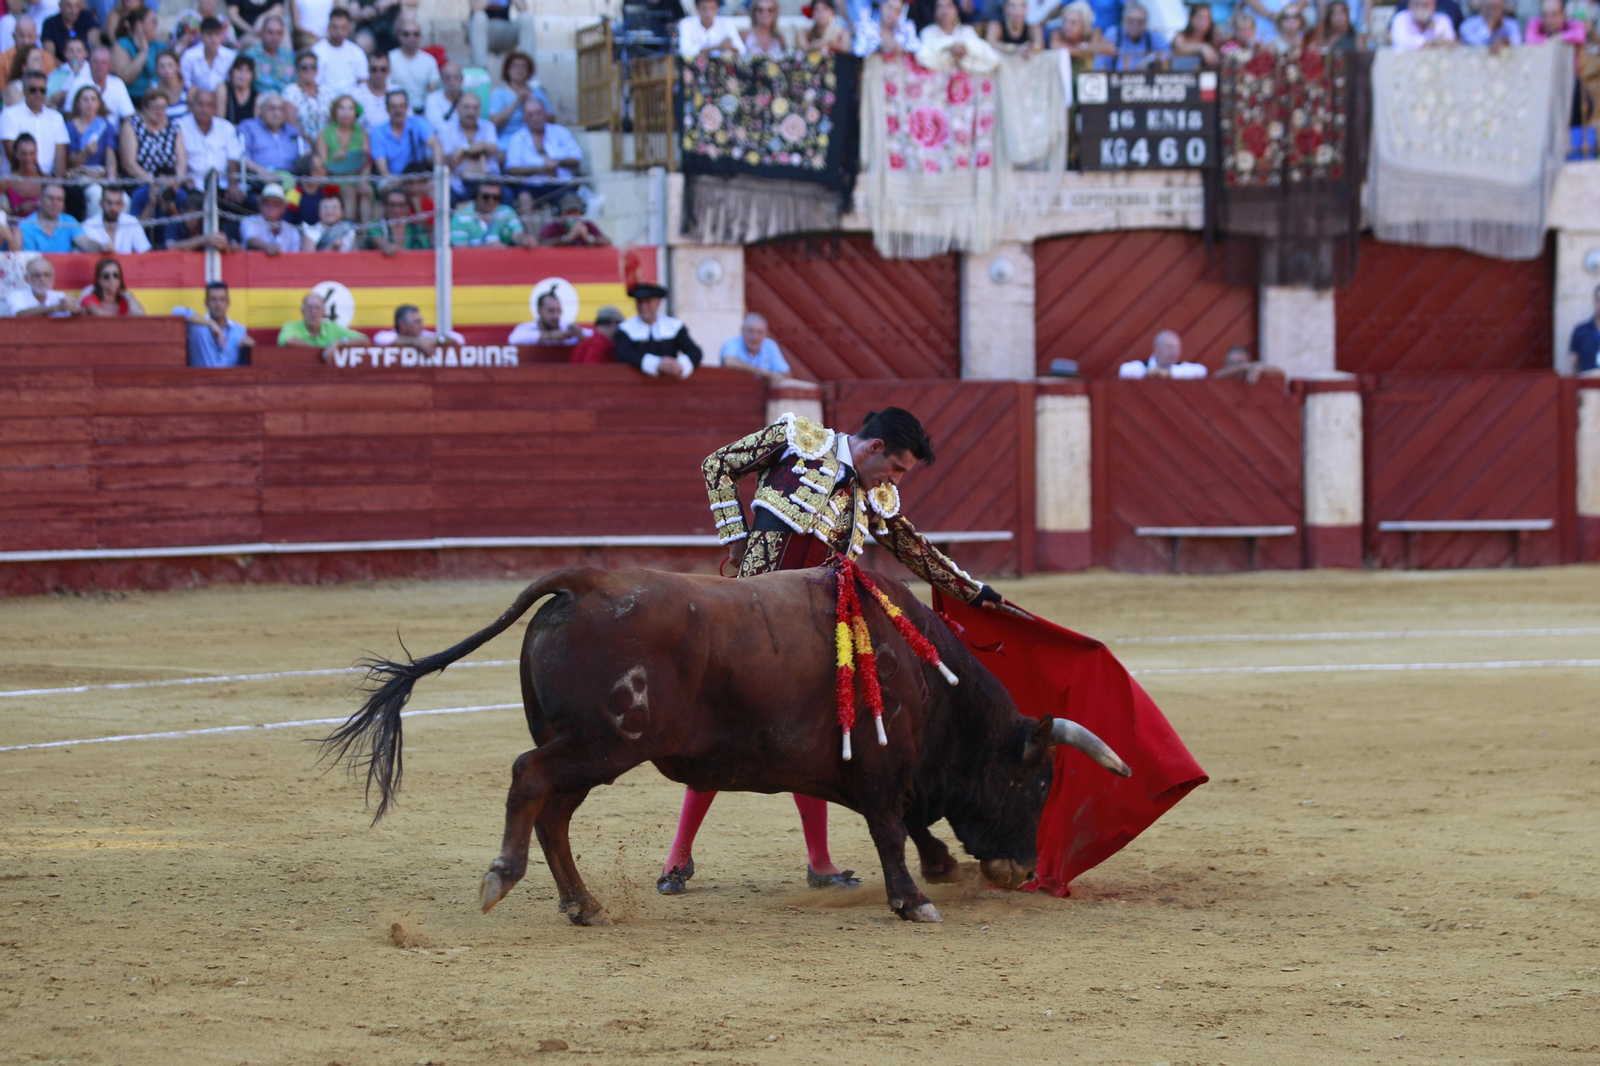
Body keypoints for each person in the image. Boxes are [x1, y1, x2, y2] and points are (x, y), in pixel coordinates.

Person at [656, 406, 1003, 896]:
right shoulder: (797, 441)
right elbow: (718, 464)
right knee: (721, 727)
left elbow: (914, 549)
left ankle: (819, 862)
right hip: (749, 617)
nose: (897, 480)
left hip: (817, 631)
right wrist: (735, 538)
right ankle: (677, 858)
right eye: (898, 467)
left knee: (817, 736)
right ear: (876, 447)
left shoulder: (878, 496)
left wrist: (974, 591)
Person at [613, 282, 702, 380]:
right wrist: (656, 364)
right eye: (640, 302)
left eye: (648, 301)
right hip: (635, 386)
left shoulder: (674, 326)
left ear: (658, 302)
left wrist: (679, 365)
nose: (643, 306)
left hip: (670, 386)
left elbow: (695, 352)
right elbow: (623, 354)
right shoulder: (625, 328)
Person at [120, 85, 185, 218]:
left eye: (163, 108)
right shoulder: (132, 125)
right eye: (156, 108)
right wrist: (153, 181)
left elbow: (182, 160)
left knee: (183, 198)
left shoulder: (174, 126)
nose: (160, 112)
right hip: (141, 182)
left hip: (170, 183)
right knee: (143, 195)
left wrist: (176, 181)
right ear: (145, 108)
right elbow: (129, 163)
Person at [503, 98, 581, 205]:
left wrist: (558, 163)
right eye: (530, 115)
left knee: (571, 202)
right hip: (531, 186)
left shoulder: (562, 132)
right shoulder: (517, 138)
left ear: (545, 114)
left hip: (561, 184)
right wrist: (541, 169)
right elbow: (512, 169)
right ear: (524, 119)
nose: (535, 118)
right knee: (524, 199)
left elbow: (577, 159)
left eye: (538, 113)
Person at [178, 87, 243, 208]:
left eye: (209, 105)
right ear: (192, 105)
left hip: (223, 185)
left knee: (242, 204)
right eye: (200, 104)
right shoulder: (180, 126)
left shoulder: (226, 127)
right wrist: (184, 178)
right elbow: (178, 157)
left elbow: (233, 158)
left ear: (214, 108)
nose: (204, 110)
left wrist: (233, 184)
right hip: (193, 185)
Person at [313, 92, 370, 219]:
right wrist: (334, 159)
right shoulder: (324, 134)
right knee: (349, 190)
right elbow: (322, 166)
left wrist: (364, 180)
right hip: (334, 178)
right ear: (335, 112)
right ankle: (348, 232)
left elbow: (366, 161)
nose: (346, 113)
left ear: (355, 112)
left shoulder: (362, 133)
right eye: (342, 108)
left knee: (366, 192)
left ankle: (365, 234)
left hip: (357, 177)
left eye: (350, 109)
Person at [1, 68, 66, 172]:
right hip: (17, 179)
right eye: (33, 90)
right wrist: (39, 179)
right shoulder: (10, 114)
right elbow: (11, 154)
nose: (38, 94)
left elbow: (61, 156)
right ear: (24, 91)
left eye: (42, 90)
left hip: (49, 181)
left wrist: (57, 183)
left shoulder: (56, 118)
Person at [438, 90, 498, 199]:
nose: (471, 112)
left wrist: (464, 150)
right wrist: (479, 148)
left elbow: (491, 149)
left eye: (475, 108)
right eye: (467, 107)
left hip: (488, 181)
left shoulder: (488, 126)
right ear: (458, 109)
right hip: (458, 183)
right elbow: (450, 161)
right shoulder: (446, 129)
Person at [278, 289, 364, 358]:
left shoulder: (332, 328)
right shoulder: (292, 326)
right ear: (302, 310)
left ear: (324, 312)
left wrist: (339, 342)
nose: (313, 312)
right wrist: (317, 351)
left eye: (317, 308)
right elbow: (288, 341)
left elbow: (364, 340)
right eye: (309, 307)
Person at [370, 86, 436, 176]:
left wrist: (437, 173)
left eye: (402, 106)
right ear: (387, 109)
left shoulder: (418, 122)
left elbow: (436, 145)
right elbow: (383, 171)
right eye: (393, 107)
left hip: (418, 178)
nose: (398, 111)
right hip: (391, 181)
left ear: (407, 107)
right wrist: (402, 186)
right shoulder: (378, 132)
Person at [184, 280, 253, 366]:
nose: (218, 304)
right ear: (206, 303)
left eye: (222, 299)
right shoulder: (197, 326)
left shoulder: (239, 330)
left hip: (230, 378)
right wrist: (211, 323)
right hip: (201, 378)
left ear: (228, 303)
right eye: (213, 299)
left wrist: (252, 346)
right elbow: (176, 311)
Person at [917, 0, 1000, 70]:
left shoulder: (967, 31)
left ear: (956, 9)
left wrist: (965, 48)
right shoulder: (927, 32)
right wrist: (949, 47)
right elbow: (923, 56)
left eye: (949, 6)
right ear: (935, 11)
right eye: (940, 6)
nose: (945, 10)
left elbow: (988, 55)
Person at [486, 50, 549, 142]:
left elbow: (551, 119)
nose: (519, 70)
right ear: (508, 70)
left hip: (537, 139)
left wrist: (534, 106)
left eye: (523, 66)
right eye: (515, 66)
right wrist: (517, 102)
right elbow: (494, 122)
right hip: (508, 141)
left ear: (529, 71)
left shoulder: (537, 92)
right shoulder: (499, 93)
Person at [238, 90, 299, 179]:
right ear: (261, 109)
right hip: (259, 181)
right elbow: (242, 157)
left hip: (292, 181)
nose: (276, 113)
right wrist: (261, 171)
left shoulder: (292, 131)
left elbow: (305, 155)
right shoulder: (249, 127)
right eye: (272, 108)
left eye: (280, 109)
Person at [67, 43, 133, 121]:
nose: (99, 67)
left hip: (113, 132)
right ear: (90, 64)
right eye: (95, 62)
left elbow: (129, 115)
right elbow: (68, 113)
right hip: (84, 131)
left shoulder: (118, 84)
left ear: (110, 66)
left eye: (103, 63)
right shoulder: (78, 82)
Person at [448, 178, 523, 246]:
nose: (491, 201)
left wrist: (524, 240)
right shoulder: (461, 217)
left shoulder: (507, 212)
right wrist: (487, 248)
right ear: (476, 196)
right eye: (486, 197)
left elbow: (517, 234)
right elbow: (460, 251)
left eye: (496, 197)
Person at [719, 312, 791, 382]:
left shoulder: (770, 345)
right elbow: (729, 362)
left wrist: (773, 377)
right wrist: (764, 373)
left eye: (760, 332)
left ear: (766, 333)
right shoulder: (732, 343)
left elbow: (786, 374)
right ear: (743, 331)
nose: (755, 336)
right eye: (751, 331)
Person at [467, 0, 534, 72]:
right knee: (479, 16)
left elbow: (524, 9)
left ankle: (529, 70)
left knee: (526, 17)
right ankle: (480, 70)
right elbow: (477, 9)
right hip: (486, 33)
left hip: (506, 32)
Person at [113, 5, 163, 100]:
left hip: (155, 98)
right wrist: (143, 53)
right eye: (153, 21)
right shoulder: (122, 44)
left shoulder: (158, 45)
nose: (156, 25)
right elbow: (126, 78)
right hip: (130, 98)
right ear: (139, 24)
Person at [79, 183, 149, 252]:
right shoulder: (88, 226)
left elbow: (144, 252)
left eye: (117, 203)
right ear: (101, 203)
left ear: (123, 204)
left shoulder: (132, 223)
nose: (113, 208)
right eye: (109, 203)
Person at [18, 181, 89, 249]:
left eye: (59, 199)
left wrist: (99, 247)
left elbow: (85, 242)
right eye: (50, 198)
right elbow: (31, 258)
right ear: (40, 200)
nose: (55, 203)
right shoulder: (26, 226)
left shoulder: (69, 221)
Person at [385, 14, 434, 111]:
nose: (411, 38)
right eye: (406, 34)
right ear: (399, 36)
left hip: (422, 110)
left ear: (420, 36)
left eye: (415, 34)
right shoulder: (389, 58)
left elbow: (432, 91)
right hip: (396, 111)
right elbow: (386, 88)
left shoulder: (429, 60)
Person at [1097, 0, 1166, 69]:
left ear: (1146, 23)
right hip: (1116, 78)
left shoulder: (1152, 37)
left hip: (1147, 78)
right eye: (1131, 20)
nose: (1135, 25)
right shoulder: (1113, 34)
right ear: (1124, 20)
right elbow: (1100, 64)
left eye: (1140, 22)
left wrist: (1150, 59)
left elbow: (1168, 54)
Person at [1049, 0, 1115, 71]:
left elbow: (1111, 49)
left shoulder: (1092, 34)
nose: (1067, 26)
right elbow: (1055, 46)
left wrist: (1086, 47)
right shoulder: (1058, 33)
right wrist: (1081, 51)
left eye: (1073, 23)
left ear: (1084, 25)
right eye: (1065, 21)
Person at [311, 7, 364, 94]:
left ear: (348, 28)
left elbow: (362, 81)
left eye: (343, 27)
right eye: (335, 27)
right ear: (328, 27)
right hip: (326, 100)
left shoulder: (357, 52)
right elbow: (315, 83)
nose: (339, 31)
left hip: (352, 101)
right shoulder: (317, 51)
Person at [372, 302, 463, 353]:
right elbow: (383, 340)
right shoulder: (385, 336)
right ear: (402, 325)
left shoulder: (427, 336)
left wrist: (437, 340)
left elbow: (458, 338)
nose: (421, 325)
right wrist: (416, 341)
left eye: (421, 321)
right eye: (416, 322)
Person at [6, 253, 81, 315]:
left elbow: (80, 313)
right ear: (26, 279)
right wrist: (55, 308)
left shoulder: (60, 296)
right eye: (36, 275)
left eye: (47, 275)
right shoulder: (15, 296)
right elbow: (20, 315)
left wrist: (75, 309)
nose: (42, 279)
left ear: (53, 277)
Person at [364, 181, 429, 252]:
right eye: (392, 205)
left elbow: (426, 248)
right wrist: (385, 246)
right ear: (385, 207)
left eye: (401, 205)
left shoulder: (416, 230)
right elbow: (376, 239)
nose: (396, 210)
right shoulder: (376, 226)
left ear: (407, 207)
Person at [1118, 329, 1208, 378]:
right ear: (1157, 349)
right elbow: (1124, 370)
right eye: (1169, 347)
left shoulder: (1181, 367)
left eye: (1177, 348)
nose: (1174, 352)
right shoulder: (1143, 366)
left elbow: (1202, 371)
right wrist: (1147, 373)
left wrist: (1169, 373)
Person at [241, 179, 300, 253]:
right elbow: (251, 240)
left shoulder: (291, 230)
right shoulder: (250, 221)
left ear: (283, 208)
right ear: (260, 205)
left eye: (276, 203)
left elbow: (294, 256)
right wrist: (266, 247)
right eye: (267, 203)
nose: (271, 207)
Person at [509, 285, 580, 345]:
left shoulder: (565, 327)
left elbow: (588, 335)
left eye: (558, 310)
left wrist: (579, 334)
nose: (556, 315)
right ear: (539, 311)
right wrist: (551, 336)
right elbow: (514, 339)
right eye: (551, 311)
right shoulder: (528, 328)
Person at [181, 16, 235, 91]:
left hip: (222, 97)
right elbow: (185, 81)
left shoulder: (230, 56)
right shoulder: (189, 55)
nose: (214, 39)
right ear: (201, 36)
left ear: (222, 36)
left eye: (217, 34)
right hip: (197, 98)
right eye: (209, 34)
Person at [677, 0, 745, 60]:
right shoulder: (686, 23)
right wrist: (718, 47)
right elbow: (685, 50)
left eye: (712, 8)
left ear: (717, 8)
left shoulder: (726, 23)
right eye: (704, 9)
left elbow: (741, 49)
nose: (708, 14)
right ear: (697, 7)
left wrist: (730, 47)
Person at [282, 47, 326, 137]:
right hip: (302, 143)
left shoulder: (327, 91)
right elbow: (292, 125)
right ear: (297, 70)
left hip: (328, 142)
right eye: (304, 67)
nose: (309, 71)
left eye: (313, 67)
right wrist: (314, 144)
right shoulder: (290, 92)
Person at [80, 255, 146, 315]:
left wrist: (127, 295)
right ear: (99, 280)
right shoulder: (90, 298)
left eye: (116, 275)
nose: (112, 279)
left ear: (120, 279)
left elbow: (140, 314)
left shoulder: (124, 301)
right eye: (106, 276)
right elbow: (98, 313)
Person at [536, 191, 607, 246]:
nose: (572, 216)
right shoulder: (553, 227)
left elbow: (607, 242)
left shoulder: (587, 225)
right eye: (569, 212)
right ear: (561, 214)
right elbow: (541, 243)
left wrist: (588, 238)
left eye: (575, 212)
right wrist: (566, 238)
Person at [243, 13, 292, 92]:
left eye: (278, 33)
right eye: (270, 32)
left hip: (286, 100)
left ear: (282, 35)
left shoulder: (289, 57)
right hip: (261, 99)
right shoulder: (249, 56)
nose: (274, 37)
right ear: (262, 33)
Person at [1, 130, 43, 216]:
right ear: (16, 154)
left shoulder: (46, 181)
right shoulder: (6, 182)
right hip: (12, 228)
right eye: (24, 154)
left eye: (32, 153)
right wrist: (17, 209)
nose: (28, 158)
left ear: (36, 154)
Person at [853, 0, 919, 55]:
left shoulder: (906, 27)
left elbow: (916, 47)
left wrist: (896, 43)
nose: (892, 13)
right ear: (881, 5)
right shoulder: (867, 21)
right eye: (890, 7)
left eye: (897, 10)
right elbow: (858, 51)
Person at [1169, 1, 1219, 66]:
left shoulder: (1213, 39)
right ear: (1191, 18)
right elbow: (1180, 47)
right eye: (1200, 17)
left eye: (1207, 18)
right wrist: (1202, 47)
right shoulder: (1181, 37)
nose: (1203, 23)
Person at [1390, 0, 1456, 47]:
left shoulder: (1443, 19)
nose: (1421, 9)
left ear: (1434, 5)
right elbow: (1400, 41)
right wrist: (1432, 43)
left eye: (1425, 5)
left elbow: (1449, 42)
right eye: (1417, 4)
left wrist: (1430, 25)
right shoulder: (1400, 18)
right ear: (1409, 4)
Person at [44, 31, 83, 107]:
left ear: (85, 53)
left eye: (79, 51)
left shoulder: (93, 71)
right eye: (71, 51)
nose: (75, 54)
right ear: (65, 53)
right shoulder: (56, 74)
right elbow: (48, 97)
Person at [1213, 344, 1285, 385]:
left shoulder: (1254, 374)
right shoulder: (1221, 379)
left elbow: (1281, 372)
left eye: (1240, 363)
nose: (1235, 367)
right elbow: (1215, 376)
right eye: (1231, 363)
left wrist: (1260, 369)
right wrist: (1243, 367)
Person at [1568, 283, 1600, 374]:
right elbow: (1573, 362)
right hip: (1587, 383)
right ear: (1595, 302)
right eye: (1599, 300)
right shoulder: (1580, 330)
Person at [423, 59, 461, 130]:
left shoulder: (468, 100)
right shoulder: (432, 99)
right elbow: (434, 125)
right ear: (442, 80)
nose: (452, 81)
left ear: (462, 79)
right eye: (447, 77)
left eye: (456, 77)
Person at [221, 52, 256, 122]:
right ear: (232, 72)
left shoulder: (256, 96)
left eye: (247, 71)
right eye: (239, 70)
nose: (242, 75)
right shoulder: (223, 89)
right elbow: (219, 120)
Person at [152, 48, 187, 118]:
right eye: (162, 66)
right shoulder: (153, 90)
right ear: (157, 70)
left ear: (178, 67)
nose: (166, 70)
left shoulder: (189, 89)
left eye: (170, 65)